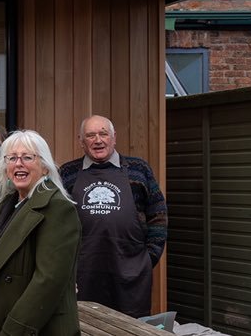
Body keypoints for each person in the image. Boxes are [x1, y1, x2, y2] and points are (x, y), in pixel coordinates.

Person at [0, 131, 79, 336]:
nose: (19, 164)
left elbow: (48, 281)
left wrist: (13, 330)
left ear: (45, 167)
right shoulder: (6, 205)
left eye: (27, 157)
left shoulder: (57, 208)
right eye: (12, 158)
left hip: (28, 328)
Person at [57, 115, 168, 318]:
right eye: (90, 135)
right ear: (81, 141)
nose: (98, 140)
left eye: (103, 134)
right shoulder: (68, 173)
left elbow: (158, 214)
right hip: (83, 274)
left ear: (114, 138)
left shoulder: (139, 169)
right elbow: (57, 223)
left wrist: (148, 258)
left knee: (129, 328)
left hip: (130, 274)